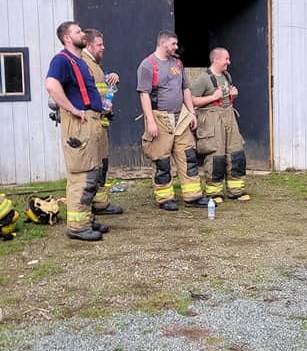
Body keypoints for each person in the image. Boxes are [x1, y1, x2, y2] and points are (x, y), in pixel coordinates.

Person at [45, 21, 106, 242]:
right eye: (78, 32)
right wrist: (71, 109)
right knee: (82, 174)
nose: (83, 34)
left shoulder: (80, 62)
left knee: (92, 171)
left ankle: (85, 219)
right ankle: (77, 226)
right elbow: (51, 85)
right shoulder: (62, 60)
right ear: (67, 38)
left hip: (91, 122)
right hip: (78, 124)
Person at [136, 30, 208, 211]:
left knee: (188, 156)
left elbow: (186, 90)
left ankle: (193, 196)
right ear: (162, 43)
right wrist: (150, 121)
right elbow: (144, 95)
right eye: (173, 44)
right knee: (162, 161)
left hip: (181, 117)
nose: (177, 47)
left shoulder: (177, 63)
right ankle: (164, 198)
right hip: (160, 118)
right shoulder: (148, 65)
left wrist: (191, 113)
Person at [191, 47, 249, 202]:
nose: (228, 63)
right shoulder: (203, 79)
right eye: (226, 59)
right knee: (216, 155)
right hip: (211, 120)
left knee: (236, 152)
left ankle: (236, 190)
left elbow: (225, 98)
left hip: (229, 116)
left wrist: (232, 96)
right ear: (216, 59)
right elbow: (191, 100)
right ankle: (214, 193)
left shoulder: (227, 76)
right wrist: (212, 97)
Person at [82, 29, 124, 216]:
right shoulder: (84, 63)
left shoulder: (95, 66)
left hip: (102, 122)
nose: (103, 47)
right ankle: (88, 207)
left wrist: (111, 78)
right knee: (93, 166)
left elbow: (101, 89)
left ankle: (100, 204)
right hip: (91, 124)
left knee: (102, 165)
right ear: (89, 45)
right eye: (99, 44)